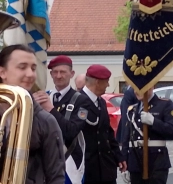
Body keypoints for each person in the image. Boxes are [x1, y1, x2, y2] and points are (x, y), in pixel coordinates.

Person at [0, 44, 65, 184]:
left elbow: (56, 176)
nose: (30, 74)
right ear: (2, 72)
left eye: (33, 68)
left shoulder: (46, 121)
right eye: (22, 67)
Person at [41, 55, 91, 183]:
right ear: (51, 74)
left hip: (69, 162)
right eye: (55, 72)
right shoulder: (45, 96)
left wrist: (50, 109)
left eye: (63, 72)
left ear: (71, 73)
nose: (58, 76)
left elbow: (71, 131)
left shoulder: (82, 100)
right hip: (46, 160)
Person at [121, 86, 173, 184]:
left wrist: (154, 122)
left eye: (139, 88)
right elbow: (127, 136)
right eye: (134, 88)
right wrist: (124, 161)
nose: (135, 91)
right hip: (135, 163)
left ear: (150, 87)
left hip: (156, 162)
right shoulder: (132, 109)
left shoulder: (164, 104)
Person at [80, 65, 126, 184]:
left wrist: (118, 156)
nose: (108, 85)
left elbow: (107, 132)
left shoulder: (101, 102)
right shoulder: (78, 101)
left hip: (106, 169)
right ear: (97, 82)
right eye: (106, 82)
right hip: (88, 169)